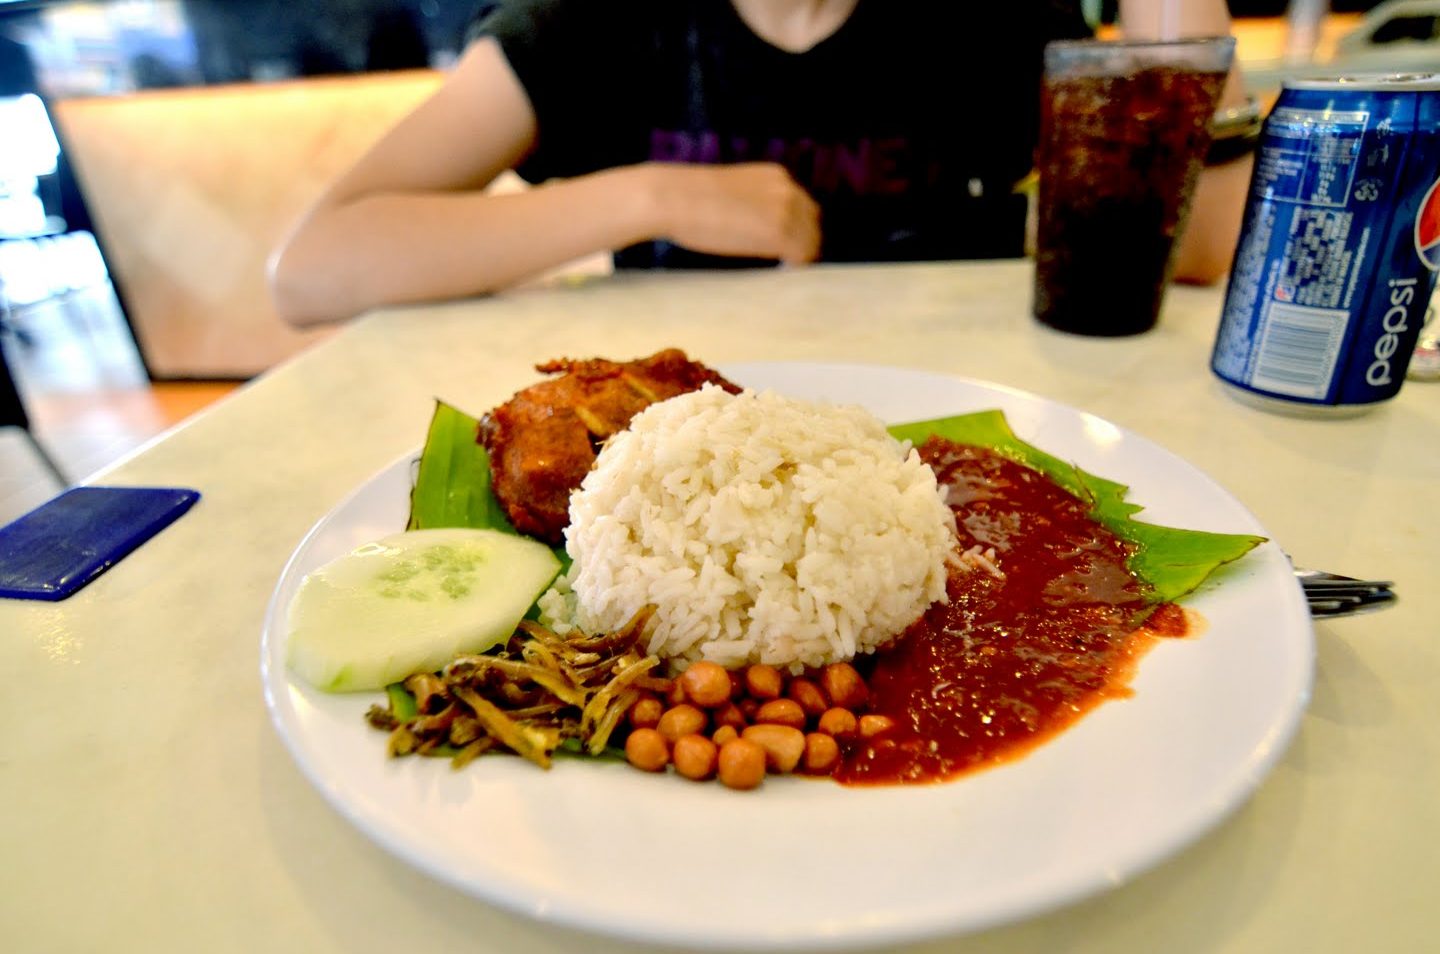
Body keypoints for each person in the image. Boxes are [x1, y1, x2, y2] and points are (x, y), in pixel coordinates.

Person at [268, 0, 1253, 327]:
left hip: (965, 424)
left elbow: (1200, 242)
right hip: (674, 426)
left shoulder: (987, 17)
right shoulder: (596, 22)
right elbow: (313, 270)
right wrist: (650, 195)